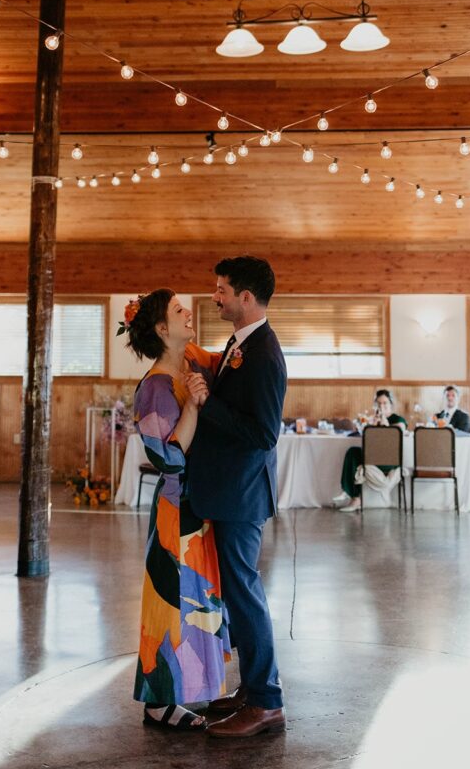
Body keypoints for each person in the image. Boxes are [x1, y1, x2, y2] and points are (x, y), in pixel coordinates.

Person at [185, 255, 287, 739]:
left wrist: (209, 403)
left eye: (222, 288)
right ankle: (250, 689)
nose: (215, 295)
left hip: (242, 495)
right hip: (227, 490)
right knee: (238, 592)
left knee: (246, 595)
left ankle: (266, 701)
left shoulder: (264, 353)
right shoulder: (239, 342)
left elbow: (264, 434)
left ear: (246, 297)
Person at [126, 289, 231, 731]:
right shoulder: (153, 389)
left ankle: (194, 689)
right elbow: (168, 458)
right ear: (162, 330)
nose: (189, 312)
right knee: (173, 600)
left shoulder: (186, 366)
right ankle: (158, 701)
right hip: (174, 508)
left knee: (199, 597)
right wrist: (192, 404)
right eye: (178, 310)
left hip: (196, 503)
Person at [333, 388, 408, 512]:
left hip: (389, 460)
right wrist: (373, 425)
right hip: (373, 457)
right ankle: (353, 496)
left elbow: (400, 429)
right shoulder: (374, 419)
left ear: (391, 404)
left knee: (356, 454)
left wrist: (385, 425)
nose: (382, 406)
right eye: (379, 403)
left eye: (385, 403)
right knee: (353, 452)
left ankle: (353, 495)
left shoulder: (397, 419)